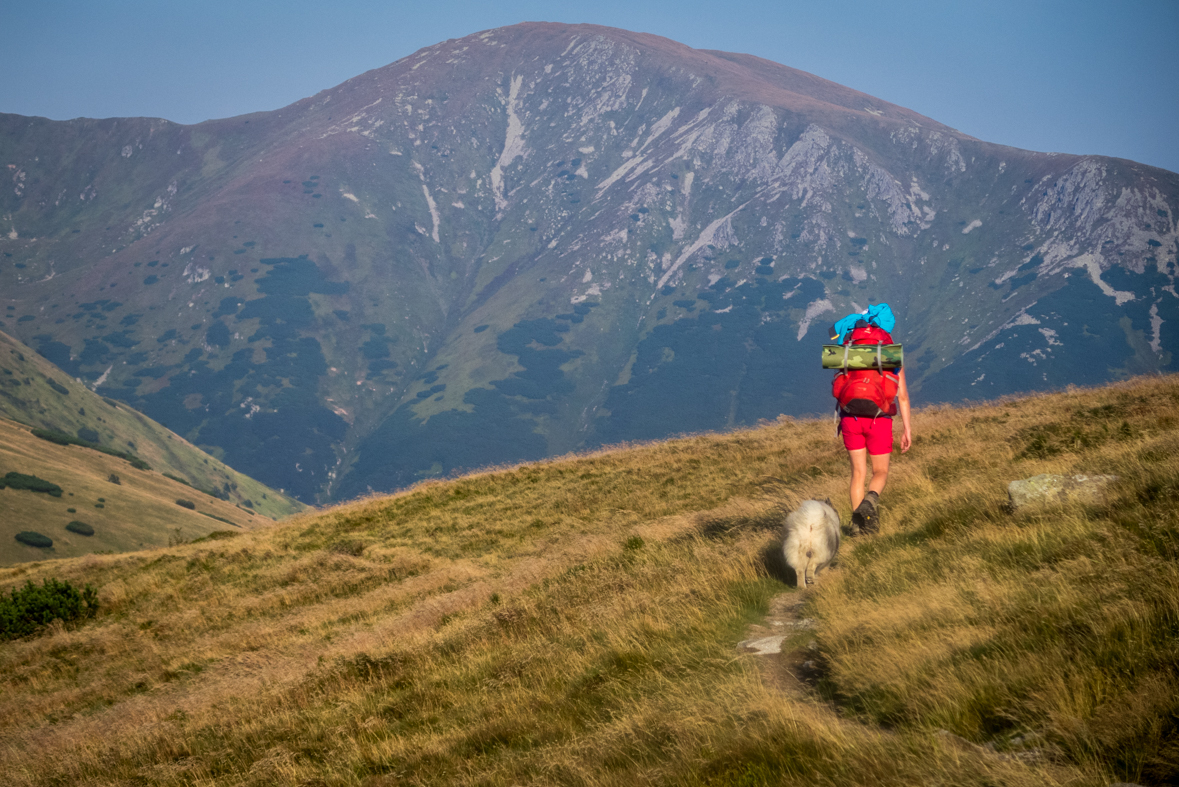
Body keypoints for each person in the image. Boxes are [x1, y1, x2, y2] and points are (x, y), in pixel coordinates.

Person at [829, 305, 912, 534]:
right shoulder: (890, 354)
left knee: (858, 473)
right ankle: (870, 501)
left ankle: (857, 528)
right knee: (880, 472)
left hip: (850, 418)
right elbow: (902, 396)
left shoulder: (847, 350)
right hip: (879, 419)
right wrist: (907, 429)